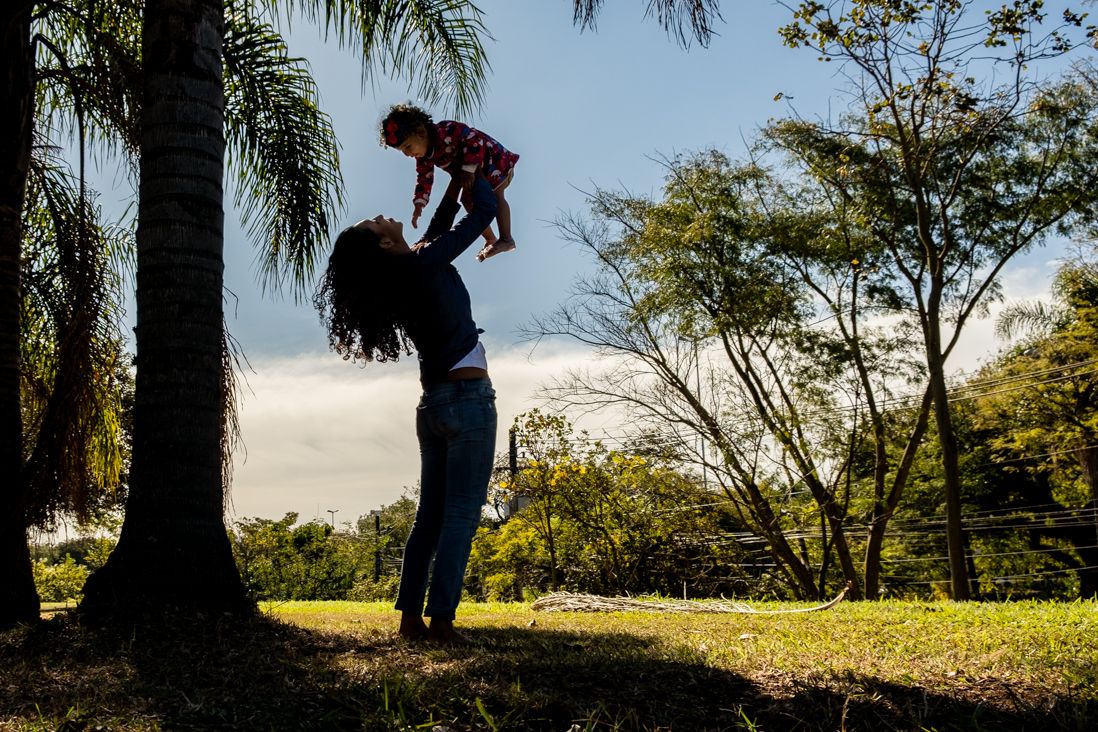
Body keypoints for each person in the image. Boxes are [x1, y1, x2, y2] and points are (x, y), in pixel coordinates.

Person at [314, 179, 499, 644]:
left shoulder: (408, 268)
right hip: (467, 401)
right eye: (375, 222)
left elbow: (438, 228)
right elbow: (478, 220)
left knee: (428, 519)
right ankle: (442, 622)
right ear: (383, 242)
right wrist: (484, 179)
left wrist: (455, 182)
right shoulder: (421, 264)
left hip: (433, 406)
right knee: (460, 515)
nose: (382, 215)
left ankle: (411, 622)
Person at [380, 103, 519, 262]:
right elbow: (424, 178)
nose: (407, 154)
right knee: (468, 203)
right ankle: (490, 239)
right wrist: (419, 203)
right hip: (471, 176)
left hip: (491, 162)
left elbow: (473, 139)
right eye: (403, 151)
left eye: (408, 147)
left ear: (421, 132)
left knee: (497, 196)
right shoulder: (424, 158)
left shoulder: (446, 131)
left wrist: (468, 169)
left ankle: (506, 238)